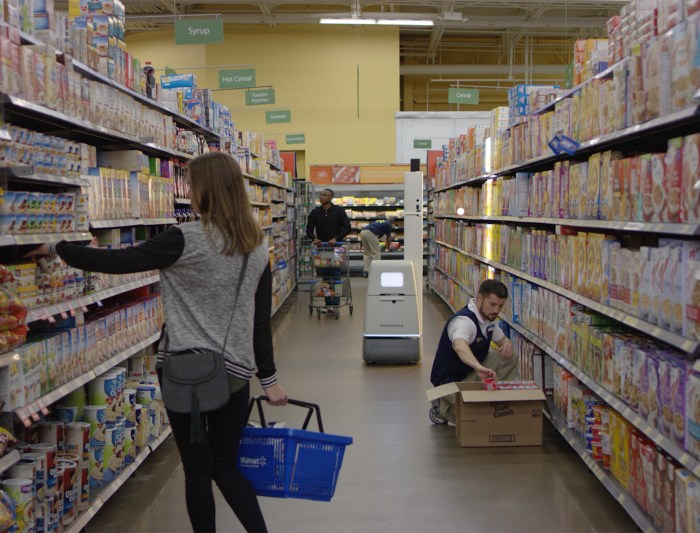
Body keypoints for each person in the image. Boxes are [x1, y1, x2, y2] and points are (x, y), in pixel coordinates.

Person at [26, 152, 287, 533]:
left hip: (187, 375)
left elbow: (118, 262)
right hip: (234, 375)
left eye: (193, 184)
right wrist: (269, 379)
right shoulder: (257, 246)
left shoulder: (185, 238)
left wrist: (57, 248)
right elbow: (259, 322)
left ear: (206, 190)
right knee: (226, 467)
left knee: (198, 472)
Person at [429, 279, 518, 426]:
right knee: (473, 421)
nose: (496, 311)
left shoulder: (488, 321)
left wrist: (507, 344)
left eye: (500, 306)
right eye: (492, 304)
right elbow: (459, 345)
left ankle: (492, 400)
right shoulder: (464, 321)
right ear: (479, 298)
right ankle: (442, 407)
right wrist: (478, 367)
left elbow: (503, 340)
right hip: (449, 381)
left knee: (511, 357)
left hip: (470, 373)